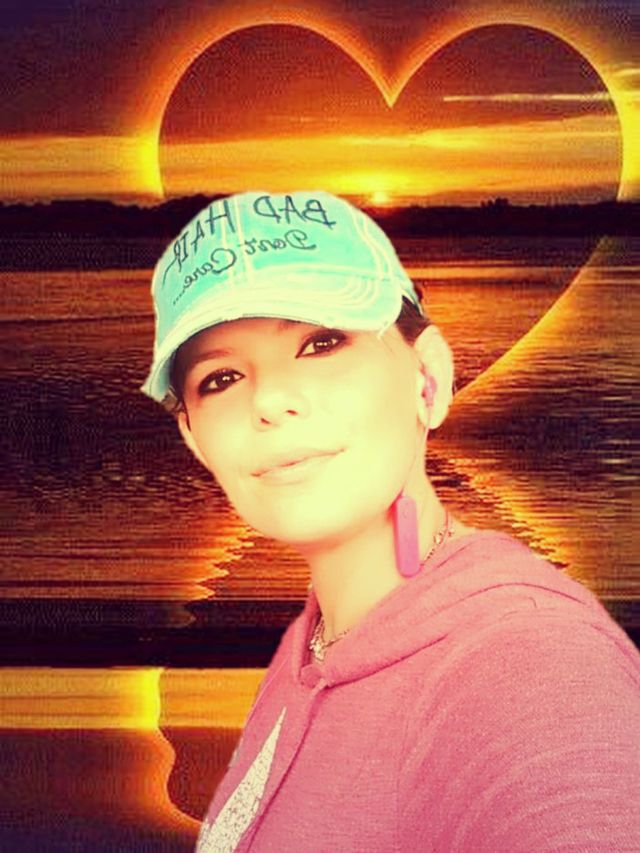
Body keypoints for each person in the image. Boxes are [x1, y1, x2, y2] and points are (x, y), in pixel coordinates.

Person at [142, 190, 640, 852]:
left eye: (321, 341)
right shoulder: (312, 642)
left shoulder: (529, 661)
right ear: (195, 439)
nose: (270, 399)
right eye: (220, 378)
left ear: (427, 376)